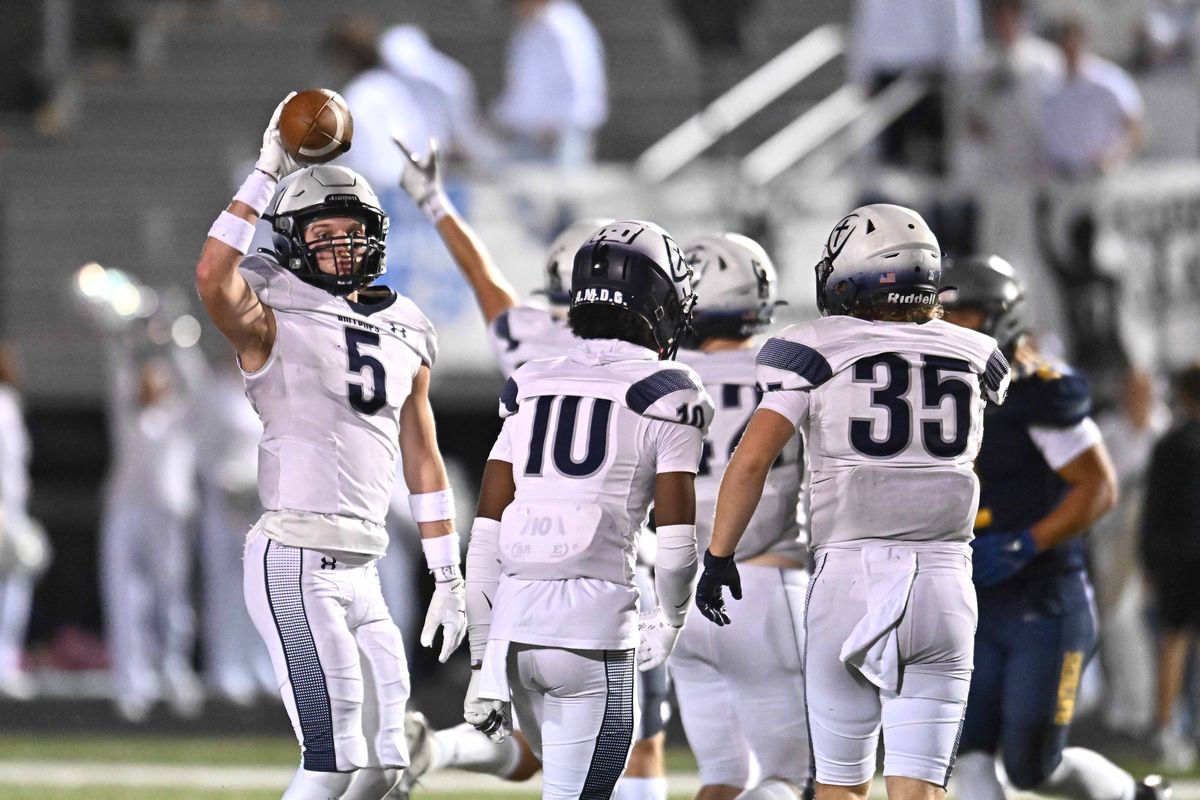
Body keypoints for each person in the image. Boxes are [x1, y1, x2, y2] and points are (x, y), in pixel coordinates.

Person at [194, 95, 465, 800]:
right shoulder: (269, 304)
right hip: (295, 557)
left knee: (385, 765)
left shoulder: (406, 323)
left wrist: (449, 573)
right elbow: (211, 278)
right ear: (289, 238)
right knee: (333, 759)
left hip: (366, 565)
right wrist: (264, 172)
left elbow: (422, 456)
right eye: (325, 229)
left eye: (355, 228)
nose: (344, 242)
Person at [394, 136, 675, 800]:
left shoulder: (528, 339)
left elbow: (486, 280)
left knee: (539, 741)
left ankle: (437, 748)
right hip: (607, 567)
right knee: (633, 742)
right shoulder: (641, 360)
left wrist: (434, 202)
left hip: (525, 568)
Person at [697, 204, 1010, 800]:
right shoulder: (977, 352)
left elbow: (753, 460)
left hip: (849, 576)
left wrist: (719, 556)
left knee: (841, 787)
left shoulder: (815, 347)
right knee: (920, 789)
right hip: (946, 579)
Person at [464, 219, 710, 800]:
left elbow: (486, 534)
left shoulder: (530, 382)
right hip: (592, 630)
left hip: (515, 636)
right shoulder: (670, 387)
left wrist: (482, 658)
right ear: (660, 300)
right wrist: (671, 620)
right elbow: (676, 544)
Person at [941, 255, 1168, 800]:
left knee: (1031, 766)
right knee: (966, 755)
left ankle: (1135, 796)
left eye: (965, 315)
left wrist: (1026, 542)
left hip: (1041, 601)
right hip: (969, 598)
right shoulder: (932, 383)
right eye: (942, 315)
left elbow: (1100, 487)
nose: (949, 329)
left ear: (1001, 317)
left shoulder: (1038, 390)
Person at [669, 233, 811, 800]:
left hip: (678, 596)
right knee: (790, 778)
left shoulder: (662, 378)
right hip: (765, 585)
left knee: (723, 780)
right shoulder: (787, 370)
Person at [99, 338, 203, 723]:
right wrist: (123, 335)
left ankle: (175, 671)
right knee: (125, 595)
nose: (148, 385)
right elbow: (118, 373)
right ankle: (132, 682)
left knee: (172, 594)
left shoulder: (181, 416)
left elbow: (195, 383)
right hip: (127, 508)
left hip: (169, 514)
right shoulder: (128, 415)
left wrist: (177, 342)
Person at [1142, 363, 1200, 771]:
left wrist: (1150, 560)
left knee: (1173, 643)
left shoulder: (1169, 443)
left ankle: (1166, 730)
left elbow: (1154, 509)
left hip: (1176, 558)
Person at [492, 0, 608, 168]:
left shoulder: (563, 27)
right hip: (530, 137)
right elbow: (525, 88)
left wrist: (556, 125)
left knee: (563, 190)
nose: (514, 10)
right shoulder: (529, 30)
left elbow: (581, 85)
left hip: (558, 137)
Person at [0, 346, 49, 700]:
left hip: (12, 511)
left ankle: (7, 664)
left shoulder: (9, 404)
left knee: (15, 590)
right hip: (4, 510)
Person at [1039, 15, 1145, 178]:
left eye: (1071, 39)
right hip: (1066, 182)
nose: (1067, 47)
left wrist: (1112, 157)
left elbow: (1135, 129)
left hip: (1108, 180)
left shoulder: (1107, 78)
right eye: (1062, 40)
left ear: (1081, 40)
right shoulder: (1050, 88)